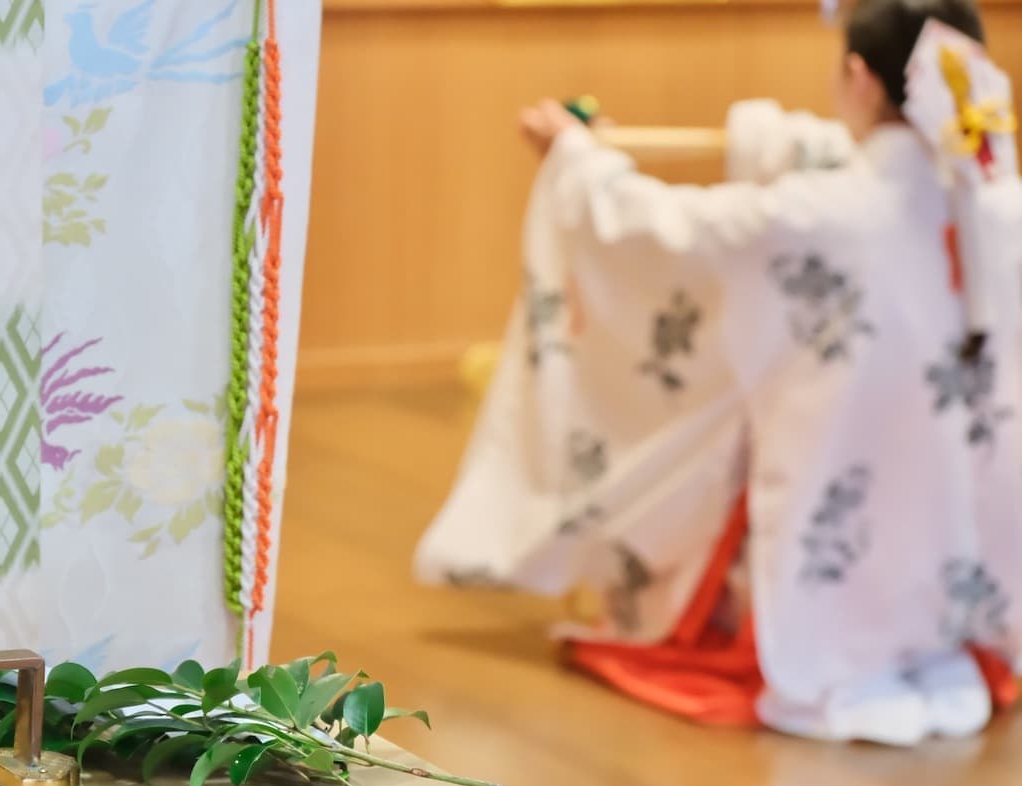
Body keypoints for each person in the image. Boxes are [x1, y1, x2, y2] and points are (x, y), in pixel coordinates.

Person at [416, 0, 1022, 744]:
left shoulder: (824, 213)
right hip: (957, 526)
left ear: (859, 76)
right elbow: (856, 156)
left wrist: (578, 163)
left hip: (837, 494)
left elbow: (664, 232)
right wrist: (761, 140)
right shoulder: (997, 204)